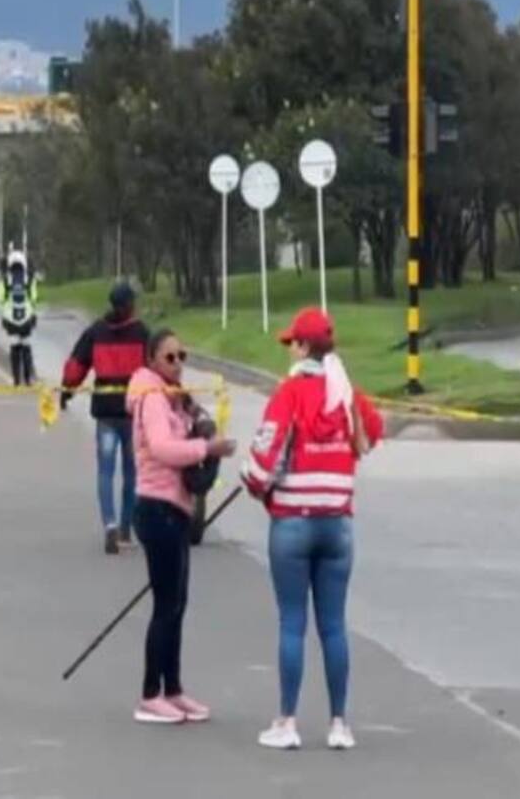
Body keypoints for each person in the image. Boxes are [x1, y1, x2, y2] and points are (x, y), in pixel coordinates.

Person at [241, 308, 384, 752]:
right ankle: (339, 724)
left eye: (292, 344)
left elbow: (264, 460)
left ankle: (286, 722)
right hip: (337, 522)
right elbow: (372, 434)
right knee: (334, 625)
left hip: (293, 523)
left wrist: (254, 483)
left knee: (292, 622)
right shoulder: (348, 395)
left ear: (303, 347)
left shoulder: (289, 394)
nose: (289, 350)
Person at [125, 329, 236, 725]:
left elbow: (194, 424)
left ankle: (173, 688)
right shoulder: (152, 399)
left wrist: (202, 427)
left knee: (177, 604)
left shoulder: (174, 397)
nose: (178, 364)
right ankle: (150, 694)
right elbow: (162, 449)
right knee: (165, 606)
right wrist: (207, 449)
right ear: (152, 360)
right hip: (156, 508)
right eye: (169, 358)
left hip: (175, 508)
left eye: (182, 356)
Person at [61, 282, 149, 555]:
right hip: (133, 414)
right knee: (132, 472)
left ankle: (109, 523)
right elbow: (156, 368)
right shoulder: (141, 332)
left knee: (106, 471)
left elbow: (76, 365)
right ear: (129, 305)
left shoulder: (96, 332)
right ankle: (125, 528)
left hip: (106, 414)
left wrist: (67, 390)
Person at [0, 249, 39, 386]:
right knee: (26, 344)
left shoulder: (5, 280)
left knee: (14, 345)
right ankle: (28, 379)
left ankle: (16, 379)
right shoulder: (29, 279)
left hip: (10, 318)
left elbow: (0, 298)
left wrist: (7, 306)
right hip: (26, 317)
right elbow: (34, 298)